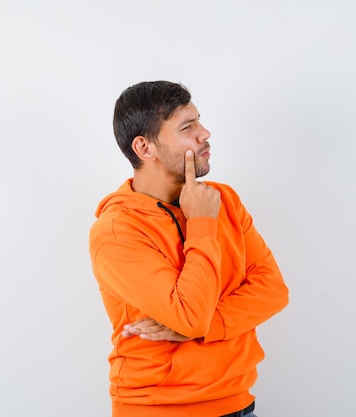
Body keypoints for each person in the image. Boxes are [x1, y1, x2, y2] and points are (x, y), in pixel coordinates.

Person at [89, 80, 289, 417]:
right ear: (145, 148)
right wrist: (201, 222)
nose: (205, 133)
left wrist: (199, 326)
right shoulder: (116, 231)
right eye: (187, 127)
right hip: (160, 409)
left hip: (239, 402)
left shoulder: (222, 200)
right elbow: (190, 316)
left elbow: (273, 291)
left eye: (199, 121)